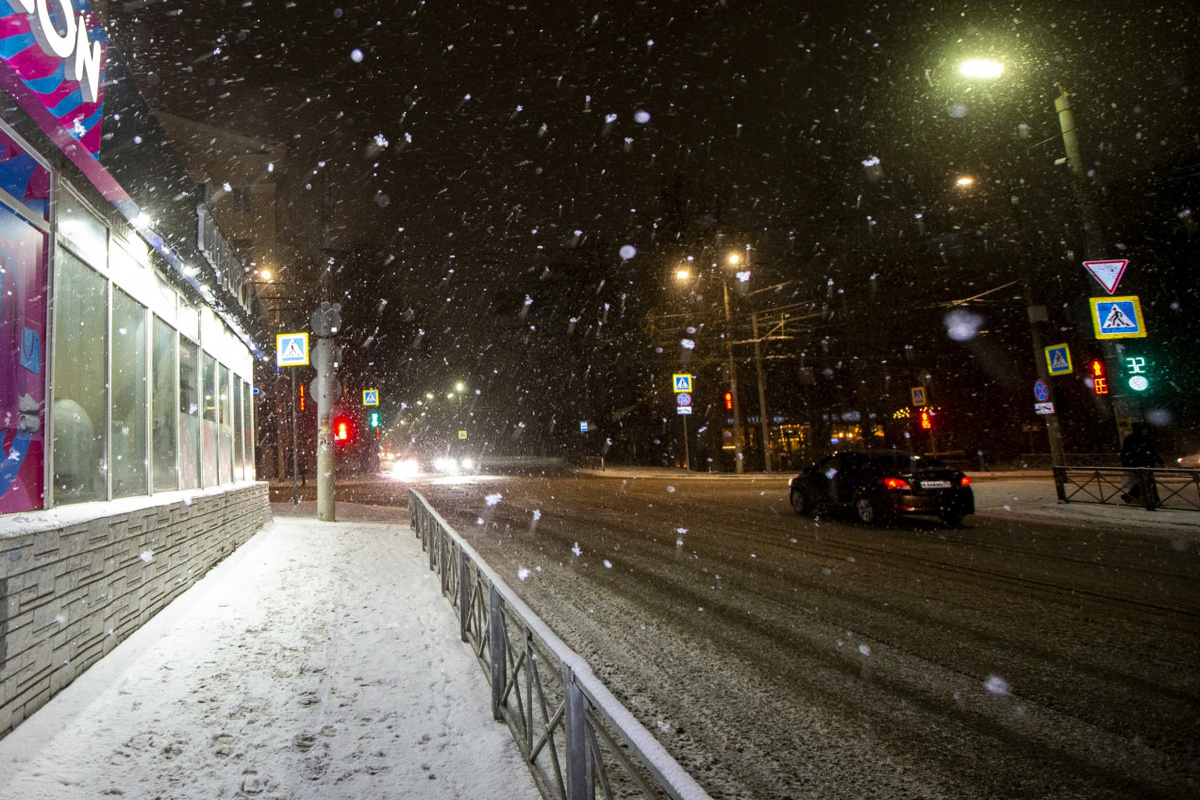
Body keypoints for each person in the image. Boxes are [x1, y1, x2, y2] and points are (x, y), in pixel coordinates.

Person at [1120, 422, 1162, 505]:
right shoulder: (1144, 439)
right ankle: (1153, 500)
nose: (1146, 431)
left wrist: (1126, 463)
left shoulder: (1131, 439)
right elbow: (1152, 451)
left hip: (1138, 464)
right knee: (1147, 482)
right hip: (1143, 464)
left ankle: (1133, 496)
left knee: (1145, 482)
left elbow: (1125, 453)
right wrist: (1158, 460)